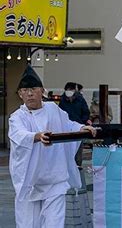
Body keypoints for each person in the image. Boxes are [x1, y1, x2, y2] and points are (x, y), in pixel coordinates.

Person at [9, 65, 96, 228]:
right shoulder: (17, 117)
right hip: (30, 181)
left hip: (54, 177)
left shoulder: (52, 109)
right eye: (25, 90)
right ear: (20, 94)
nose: (29, 93)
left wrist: (81, 128)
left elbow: (68, 124)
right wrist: (37, 136)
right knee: (29, 224)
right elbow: (19, 135)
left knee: (54, 222)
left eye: (33, 89)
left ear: (41, 91)